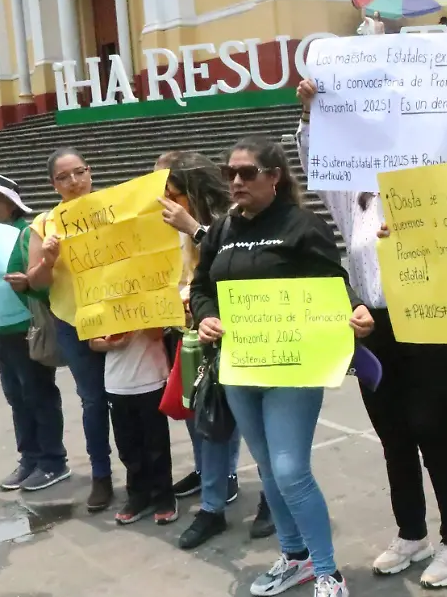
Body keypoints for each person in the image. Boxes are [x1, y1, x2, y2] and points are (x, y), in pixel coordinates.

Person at [295, 80, 447, 589]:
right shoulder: (353, 192)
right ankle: (411, 533)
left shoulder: (432, 182)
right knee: (393, 436)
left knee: (433, 433)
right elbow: (316, 162)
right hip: (372, 327)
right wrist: (313, 115)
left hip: (427, 321)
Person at [190, 136, 375, 597]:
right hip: (240, 366)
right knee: (268, 469)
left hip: (294, 367)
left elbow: (332, 281)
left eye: (248, 173)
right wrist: (206, 314)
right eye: (229, 172)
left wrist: (354, 310)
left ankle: (329, 572)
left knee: (291, 469)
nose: (236, 181)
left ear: (275, 177)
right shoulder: (220, 230)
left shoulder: (301, 224)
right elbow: (200, 286)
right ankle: (295, 558)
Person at [154, 151, 275, 548]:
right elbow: (198, 280)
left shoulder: (233, 220)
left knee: (264, 429)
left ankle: (273, 502)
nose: (165, 201)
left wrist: (194, 229)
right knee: (210, 421)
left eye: (172, 192)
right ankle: (212, 508)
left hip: (255, 337)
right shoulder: (167, 227)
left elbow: (238, 258)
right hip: (201, 336)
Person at [0, 175, 69, 492]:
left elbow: (45, 283)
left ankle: (52, 462)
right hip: (0, 330)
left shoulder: (27, 236)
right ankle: (30, 458)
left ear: (13, 204)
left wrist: (27, 283)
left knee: (38, 395)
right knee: (16, 397)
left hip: (29, 328)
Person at [25, 148, 114, 512]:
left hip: (122, 316)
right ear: (54, 184)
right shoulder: (44, 224)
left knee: (133, 399)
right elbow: (35, 280)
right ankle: (101, 475)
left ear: (90, 173)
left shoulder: (114, 209)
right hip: (72, 320)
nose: (75, 182)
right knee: (93, 401)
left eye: (80, 172)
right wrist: (48, 259)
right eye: (64, 177)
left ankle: (146, 474)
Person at [89, 327, 176, 525]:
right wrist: (112, 343)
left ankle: (164, 496)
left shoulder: (150, 297)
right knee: (127, 445)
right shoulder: (102, 300)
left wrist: (138, 319)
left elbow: (158, 333)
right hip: (116, 382)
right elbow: (93, 342)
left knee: (156, 444)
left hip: (150, 379)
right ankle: (138, 496)